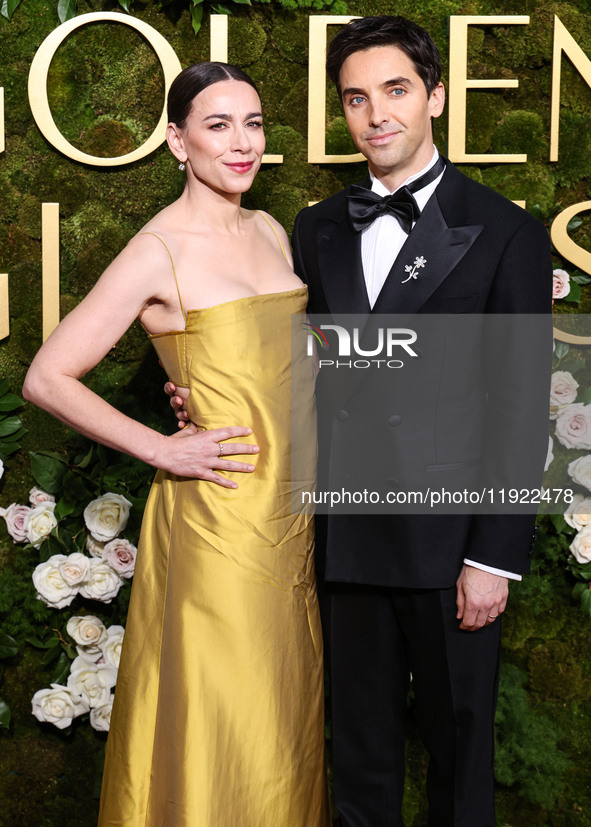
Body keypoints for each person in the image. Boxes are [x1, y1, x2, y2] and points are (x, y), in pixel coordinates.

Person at [23, 62, 329, 827]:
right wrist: (164, 449)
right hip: (216, 523)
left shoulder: (268, 229)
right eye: (218, 125)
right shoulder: (158, 248)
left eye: (253, 123)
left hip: (289, 519)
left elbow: (276, 362)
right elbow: (47, 376)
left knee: (285, 718)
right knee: (229, 714)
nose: (241, 142)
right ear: (177, 140)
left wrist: (217, 375)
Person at [291, 16, 552, 827]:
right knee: (357, 756)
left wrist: (493, 555)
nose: (377, 115)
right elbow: (299, 369)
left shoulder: (505, 230)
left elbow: (518, 399)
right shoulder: (316, 228)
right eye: (356, 98)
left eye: (396, 90)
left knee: (458, 752)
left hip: (452, 547)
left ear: (435, 95)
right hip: (349, 535)